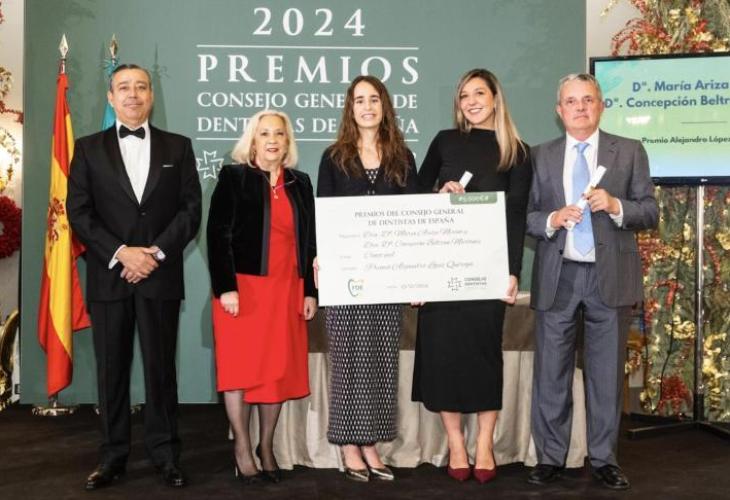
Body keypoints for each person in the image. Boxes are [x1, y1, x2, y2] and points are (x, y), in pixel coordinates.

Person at [67, 64, 202, 490]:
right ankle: (112, 458)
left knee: (161, 370)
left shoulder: (179, 147)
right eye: (123, 87)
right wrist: (121, 253)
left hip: (159, 276)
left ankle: (166, 456)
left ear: (151, 96)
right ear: (110, 97)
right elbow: (79, 213)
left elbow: (190, 211)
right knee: (111, 373)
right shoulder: (88, 149)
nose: (132, 94)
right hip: (110, 277)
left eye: (141, 87)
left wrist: (154, 254)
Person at [526, 73, 657, 490]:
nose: (580, 107)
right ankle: (550, 457)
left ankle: (603, 459)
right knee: (551, 373)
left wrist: (616, 205)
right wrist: (553, 218)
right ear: (559, 110)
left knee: (606, 375)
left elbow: (649, 210)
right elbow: (525, 216)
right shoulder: (539, 155)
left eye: (587, 100)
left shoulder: (629, 151)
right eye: (571, 101)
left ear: (601, 106)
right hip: (558, 275)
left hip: (610, 278)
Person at [412, 68, 531, 483]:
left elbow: (517, 215)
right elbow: (413, 197)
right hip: (441, 269)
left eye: (479, 93)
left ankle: (483, 443)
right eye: (464, 95)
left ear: (495, 98)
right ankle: (456, 444)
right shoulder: (444, 141)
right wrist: (438, 194)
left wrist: (512, 272)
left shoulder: (516, 151)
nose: (472, 101)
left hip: (487, 272)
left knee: (483, 357)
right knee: (443, 356)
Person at [316, 75, 418, 482]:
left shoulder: (402, 157)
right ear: (350, 108)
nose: (367, 107)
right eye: (359, 100)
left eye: (374, 99)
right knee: (348, 359)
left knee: (379, 360)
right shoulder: (333, 157)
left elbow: (414, 216)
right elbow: (324, 213)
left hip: (388, 275)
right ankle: (347, 443)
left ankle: (372, 443)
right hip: (346, 273)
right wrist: (320, 258)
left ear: (384, 105)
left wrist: (416, 273)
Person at [207, 109, 317, 485]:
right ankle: (242, 447)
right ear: (252, 140)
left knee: (276, 373)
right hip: (242, 291)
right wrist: (226, 287)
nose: (272, 140)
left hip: (286, 291)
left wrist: (310, 291)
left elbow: (310, 242)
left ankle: (266, 446)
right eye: (264, 133)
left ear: (288, 141)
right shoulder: (233, 177)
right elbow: (217, 234)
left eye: (279, 134)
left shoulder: (301, 183)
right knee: (239, 371)